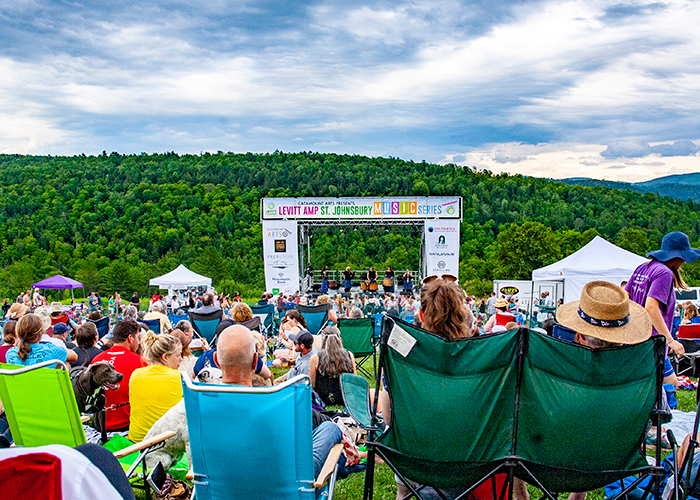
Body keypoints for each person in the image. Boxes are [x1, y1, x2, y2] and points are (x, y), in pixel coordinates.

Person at [553, 280, 653, 500]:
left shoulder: (552, 373)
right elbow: (658, 412)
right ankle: (578, 494)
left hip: (541, 460)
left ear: (579, 336)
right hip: (614, 462)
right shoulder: (637, 373)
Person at [215, 325, 343, 482]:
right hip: (287, 483)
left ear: (216, 360)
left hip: (225, 488)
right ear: (256, 362)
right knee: (331, 428)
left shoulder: (201, 408)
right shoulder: (277, 404)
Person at [625, 231, 700, 358]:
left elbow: (625, 296)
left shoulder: (643, 267)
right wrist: (670, 341)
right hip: (653, 343)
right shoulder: (665, 273)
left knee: (668, 379)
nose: (684, 262)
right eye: (683, 257)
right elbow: (651, 307)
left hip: (636, 339)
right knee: (663, 378)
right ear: (677, 256)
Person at [91, 320, 147, 432]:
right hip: (127, 424)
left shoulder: (97, 360)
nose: (138, 342)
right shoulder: (140, 361)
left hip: (100, 425)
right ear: (130, 338)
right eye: (138, 338)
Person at [128, 333, 183, 443]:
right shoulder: (180, 378)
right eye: (178, 355)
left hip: (136, 442)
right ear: (165, 357)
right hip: (166, 444)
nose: (181, 359)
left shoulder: (135, 374)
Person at [308, 326, 356, 406]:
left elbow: (312, 384)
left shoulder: (315, 358)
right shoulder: (349, 355)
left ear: (323, 339)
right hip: (346, 398)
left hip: (323, 399)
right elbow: (354, 379)